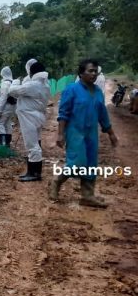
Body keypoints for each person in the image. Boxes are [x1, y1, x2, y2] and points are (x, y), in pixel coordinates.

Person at [50, 59, 119, 207]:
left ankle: (87, 196)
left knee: (90, 164)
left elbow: (103, 115)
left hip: (91, 134)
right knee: (77, 163)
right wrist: (60, 134)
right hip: (75, 132)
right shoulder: (72, 89)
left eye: (95, 71)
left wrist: (111, 133)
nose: (93, 74)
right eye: (90, 71)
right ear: (81, 73)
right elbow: (63, 114)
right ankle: (56, 182)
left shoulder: (98, 92)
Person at [8, 60, 51, 182]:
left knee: (32, 145)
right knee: (35, 143)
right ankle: (32, 171)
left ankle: (34, 173)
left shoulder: (33, 85)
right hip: (36, 116)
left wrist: (16, 81)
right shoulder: (44, 84)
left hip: (29, 117)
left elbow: (12, 91)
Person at [0, 66, 17, 146]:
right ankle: (7, 143)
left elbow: (2, 97)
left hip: (5, 107)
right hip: (12, 107)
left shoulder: (5, 84)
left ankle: (3, 143)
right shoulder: (12, 83)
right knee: (7, 124)